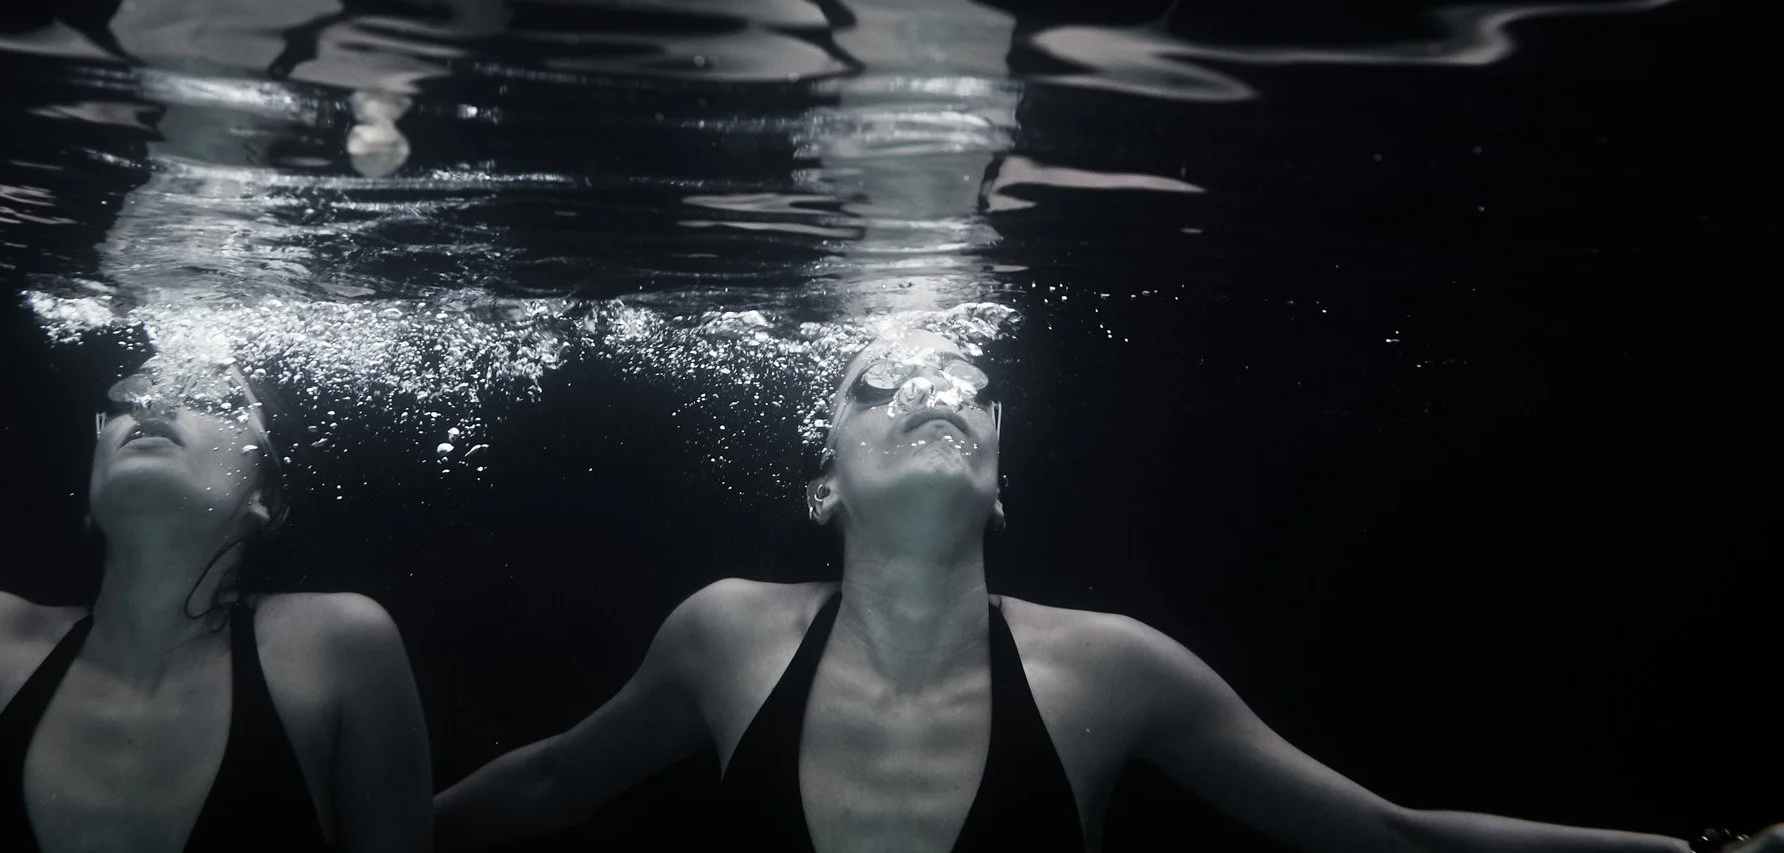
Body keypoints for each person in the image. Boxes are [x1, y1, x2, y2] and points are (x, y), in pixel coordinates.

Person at [435, 330, 1777, 853]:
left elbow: (1384, 835)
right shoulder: (727, 632)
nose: (935, 389)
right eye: (878, 384)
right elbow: (554, 784)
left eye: (964, 384)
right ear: (820, 483)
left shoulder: (1113, 669)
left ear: (1005, 484)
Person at [0, 358, 432, 853]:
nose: (156, 402)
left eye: (212, 396)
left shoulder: (337, 644)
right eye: (133, 395)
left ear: (270, 495)